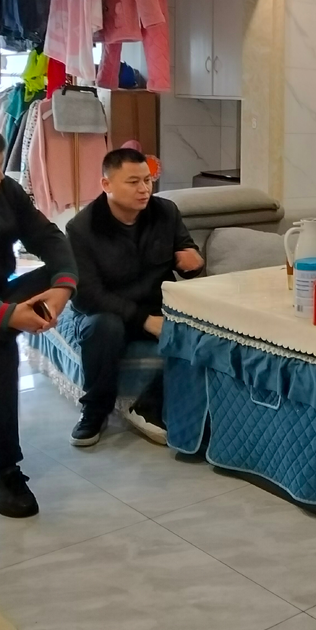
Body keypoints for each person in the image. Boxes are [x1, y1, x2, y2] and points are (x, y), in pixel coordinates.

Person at [0, 121, 78, 518]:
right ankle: (5, 470)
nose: (0, 174)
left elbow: (47, 237)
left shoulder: (5, 191)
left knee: (66, 264)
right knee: (1, 355)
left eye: (0, 166)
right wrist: (6, 315)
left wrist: (62, 289)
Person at [63, 148, 204, 447]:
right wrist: (144, 320)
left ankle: (148, 407)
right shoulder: (81, 228)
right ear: (106, 184)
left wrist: (193, 262)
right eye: (133, 182)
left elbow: (186, 251)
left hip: (157, 304)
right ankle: (95, 411)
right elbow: (87, 295)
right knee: (103, 327)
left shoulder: (166, 212)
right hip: (108, 310)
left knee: (205, 329)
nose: (144, 189)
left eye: (148, 180)